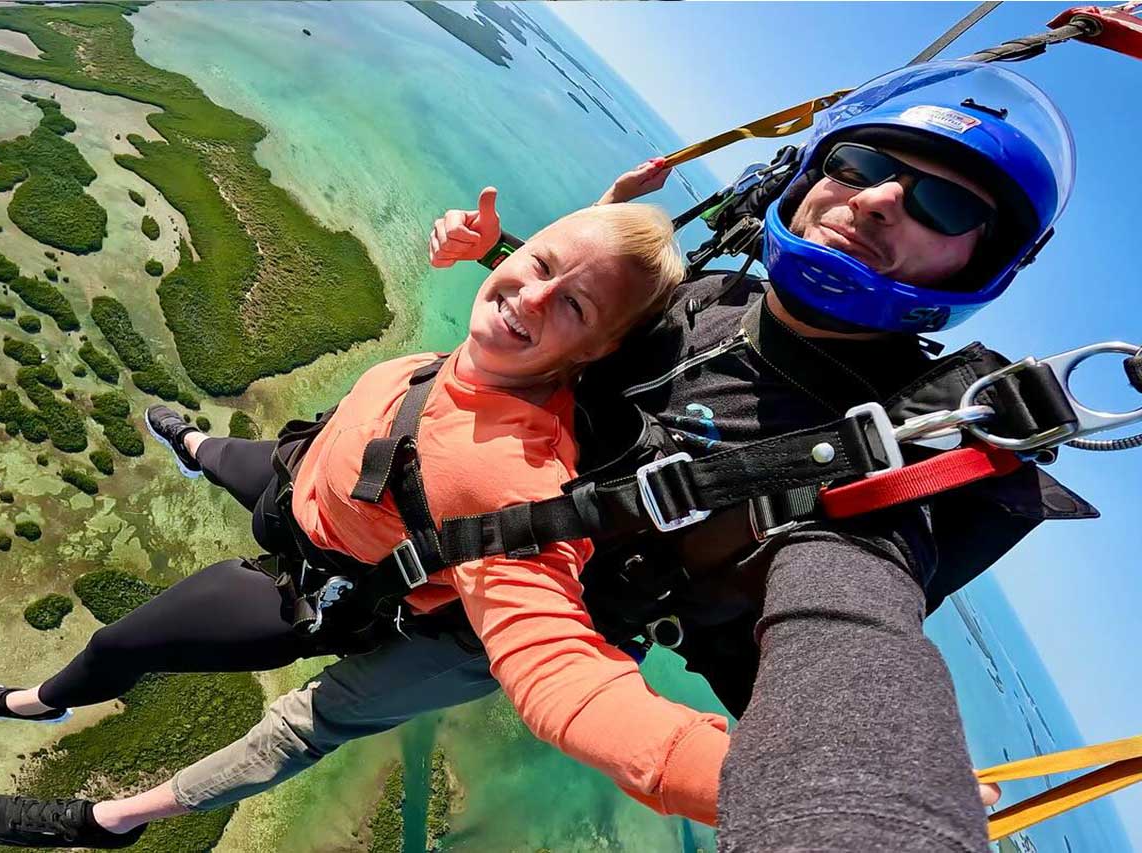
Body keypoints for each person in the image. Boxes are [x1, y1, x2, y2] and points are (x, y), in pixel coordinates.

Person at [428, 61, 1093, 852]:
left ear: (979, 263)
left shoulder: (880, 453)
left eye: (943, 204)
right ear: (811, 178)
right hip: (430, 515)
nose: (877, 199)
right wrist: (496, 250)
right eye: (861, 166)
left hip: (510, 626)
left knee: (312, 714)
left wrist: (869, 799)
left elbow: (850, 615)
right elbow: (585, 321)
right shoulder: (716, 299)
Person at [0, 202, 742, 849]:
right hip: (309, 487)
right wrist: (500, 245)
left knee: (129, 648)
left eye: (570, 304)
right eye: (535, 267)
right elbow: (561, 281)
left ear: (598, 351)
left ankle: (64, 747)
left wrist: (745, 779)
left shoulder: (512, 474)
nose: (528, 295)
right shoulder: (495, 345)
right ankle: (192, 445)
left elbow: (558, 668)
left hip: (319, 579)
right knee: (228, 454)